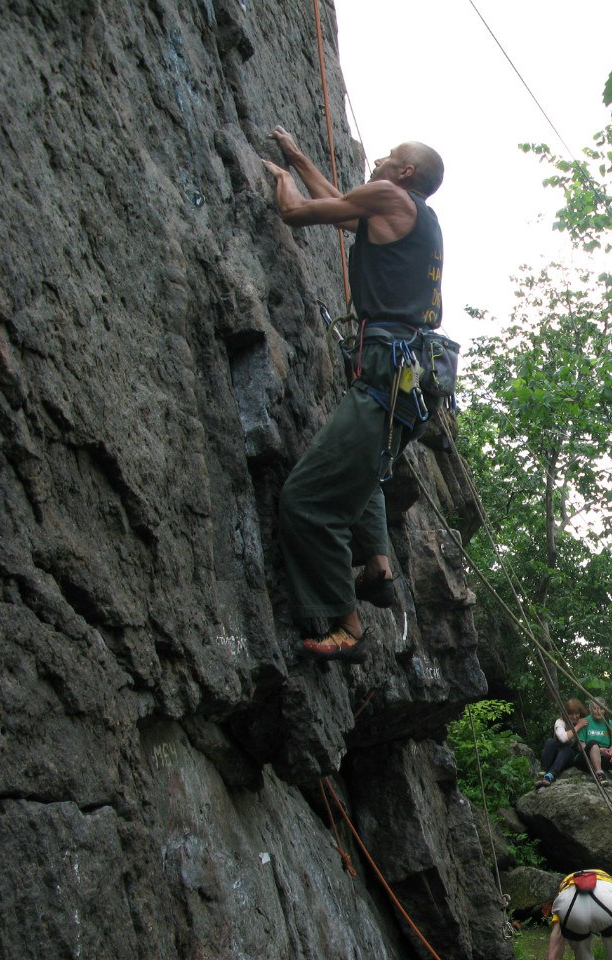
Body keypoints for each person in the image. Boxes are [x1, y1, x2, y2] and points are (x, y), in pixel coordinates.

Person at [261, 128, 445, 662]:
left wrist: (277, 178)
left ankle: (349, 627)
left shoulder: (389, 197)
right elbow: (341, 210)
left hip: (386, 378)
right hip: (413, 385)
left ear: (405, 172)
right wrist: (298, 156)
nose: (381, 159)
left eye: (391, 156)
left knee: (307, 502)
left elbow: (299, 212)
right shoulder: (415, 216)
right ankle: (377, 568)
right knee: (365, 471)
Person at [545, 869, 612, 960]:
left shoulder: (564, 890)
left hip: (571, 906)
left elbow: (557, 934)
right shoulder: (608, 879)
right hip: (608, 900)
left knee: (582, 952)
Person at [536, 699, 588, 789]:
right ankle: (543, 772)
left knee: (566, 750)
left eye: (577, 713)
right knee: (550, 742)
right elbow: (563, 738)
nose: (574, 716)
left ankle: (551, 775)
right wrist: (578, 726)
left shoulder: (584, 722)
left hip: (572, 756)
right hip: (558, 754)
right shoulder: (560, 722)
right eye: (571, 714)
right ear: (565, 714)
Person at [580, 699, 612, 783]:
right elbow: (581, 745)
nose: (599, 711)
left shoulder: (610, 724)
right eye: (595, 708)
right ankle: (599, 774)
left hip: (605, 758)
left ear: (605, 709)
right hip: (588, 759)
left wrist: (611, 752)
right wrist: (599, 750)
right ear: (590, 709)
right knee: (593, 743)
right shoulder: (584, 722)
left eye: (601, 709)